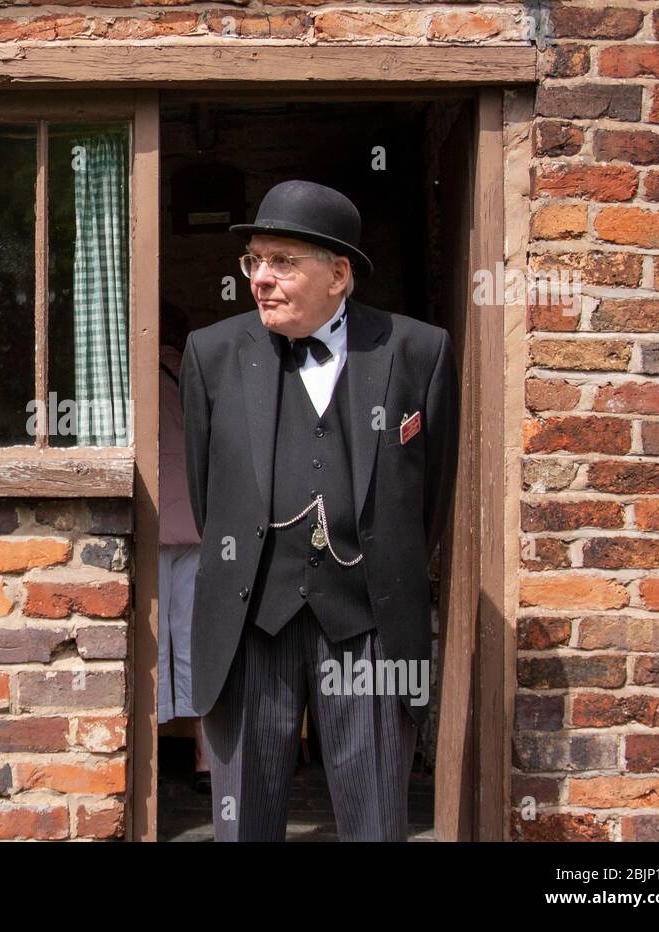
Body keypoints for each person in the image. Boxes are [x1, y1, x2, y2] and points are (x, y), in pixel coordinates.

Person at [179, 179, 460, 841]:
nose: (261, 279)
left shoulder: (417, 351)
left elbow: (429, 496)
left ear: (337, 275)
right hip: (252, 621)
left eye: (282, 262)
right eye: (254, 261)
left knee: (375, 824)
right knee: (244, 823)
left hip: (367, 625)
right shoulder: (212, 353)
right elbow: (205, 491)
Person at [157, 304, 209, 791]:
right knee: (194, 634)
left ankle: (142, 752)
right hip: (197, 518)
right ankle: (204, 757)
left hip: (153, 520)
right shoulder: (196, 372)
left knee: (150, 639)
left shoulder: (133, 375)